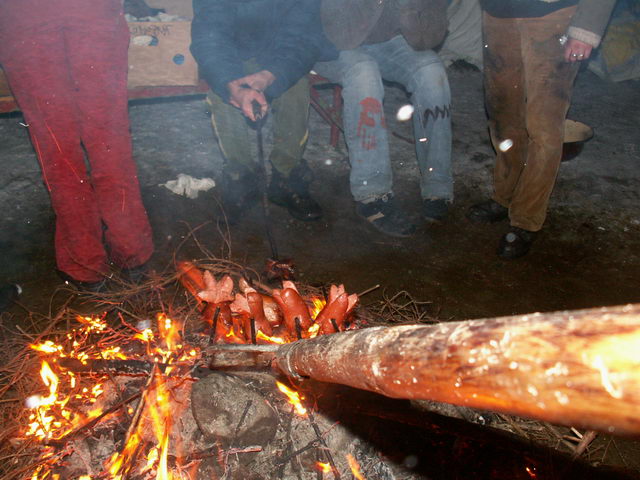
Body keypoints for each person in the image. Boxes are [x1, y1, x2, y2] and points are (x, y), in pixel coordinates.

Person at [0, 0, 154, 289]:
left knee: (58, 150)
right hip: (90, 12)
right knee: (109, 141)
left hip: (27, 17)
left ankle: (85, 263)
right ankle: (132, 251)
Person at [467, 0, 616, 258]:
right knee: (503, 115)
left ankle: (526, 219)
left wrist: (586, 29)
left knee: (543, 124)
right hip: (497, 14)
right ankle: (505, 196)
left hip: (553, 15)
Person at [314, 0, 453, 237]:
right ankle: (372, 193)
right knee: (364, 74)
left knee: (431, 72)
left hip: (389, 43)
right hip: (331, 41)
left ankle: (438, 185)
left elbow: (429, 39)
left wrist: (409, 7)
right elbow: (338, 33)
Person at [190, 0, 337, 222]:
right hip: (232, 59)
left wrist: (271, 74)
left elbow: (304, 36)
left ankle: (286, 176)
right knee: (223, 98)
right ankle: (241, 178)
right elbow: (210, 35)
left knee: (296, 90)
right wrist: (232, 83)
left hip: (279, 59)